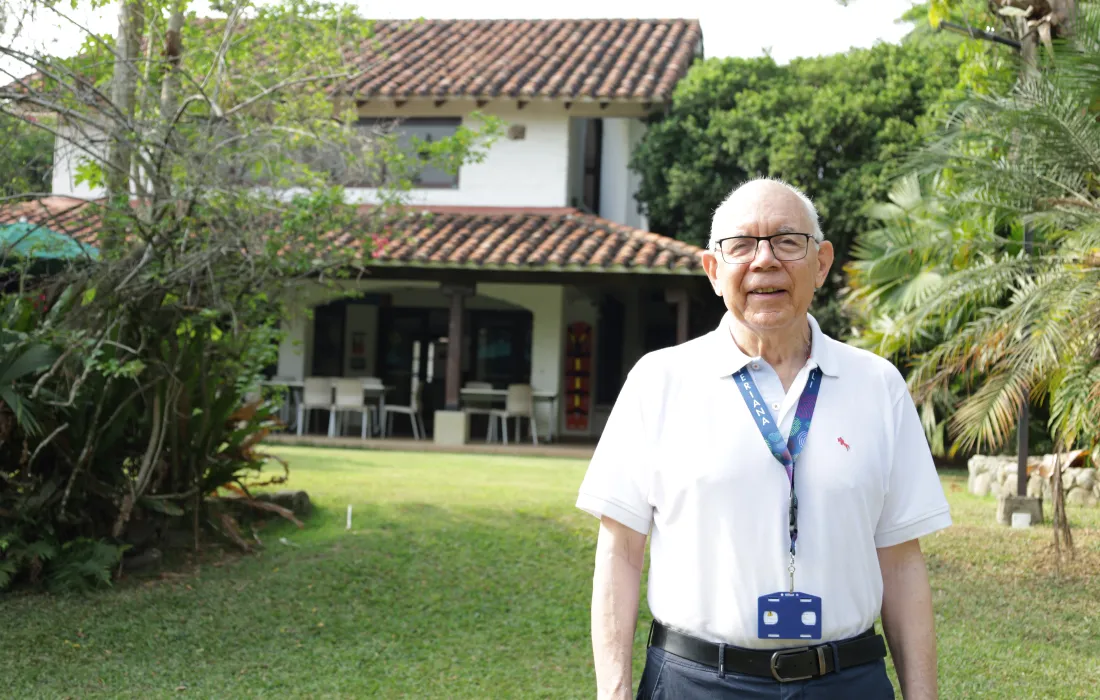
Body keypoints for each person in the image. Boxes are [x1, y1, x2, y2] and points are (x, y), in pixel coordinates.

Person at [576, 179, 951, 700]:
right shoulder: (659, 381)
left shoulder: (877, 384)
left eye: (787, 241)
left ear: (821, 263)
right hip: (696, 682)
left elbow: (902, 561)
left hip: (847, 682)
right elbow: (620, 552)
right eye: (741, 245)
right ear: (714, 270)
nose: (764, 260)